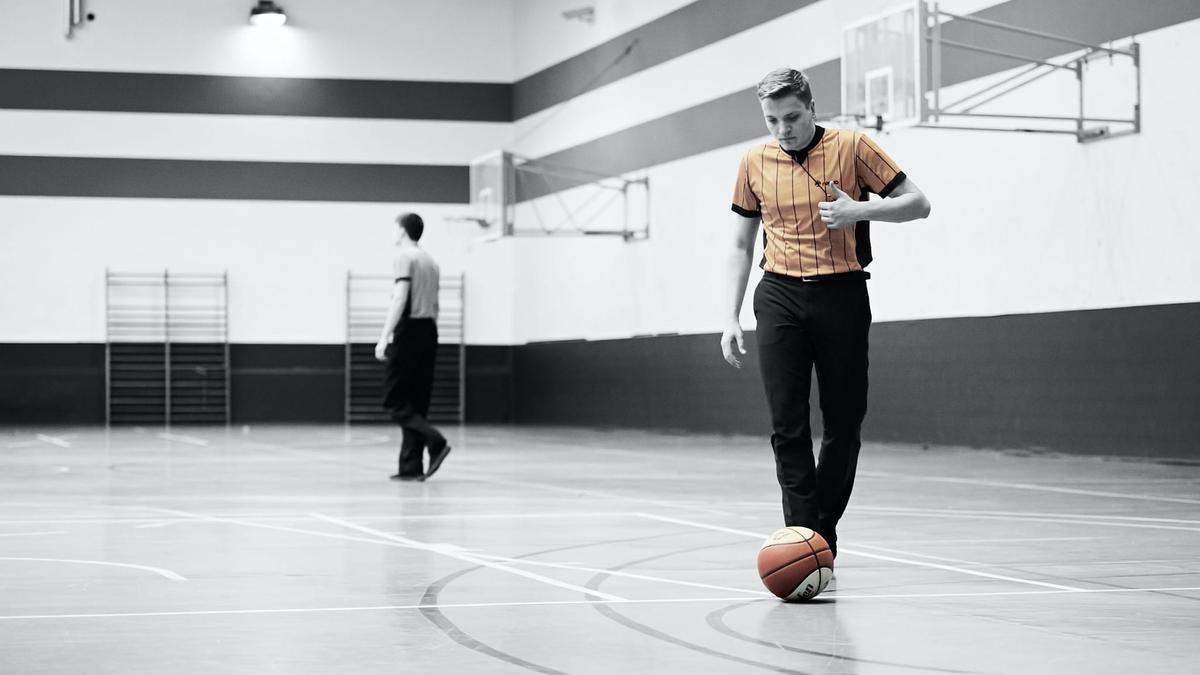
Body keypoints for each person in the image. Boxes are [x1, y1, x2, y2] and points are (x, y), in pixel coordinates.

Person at [721, 68, 931, 558]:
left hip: (842, 293)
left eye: (791, 117)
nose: (782, 129)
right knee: (787, 424)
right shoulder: (753, 162)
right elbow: (739, 242)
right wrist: (729, 316)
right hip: (778, 295)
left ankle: (819, 531)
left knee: (844, 421)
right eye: (771, 120)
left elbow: (918, 204)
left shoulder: (853, 147)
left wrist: (859, 212)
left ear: (812, 107)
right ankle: (806, 542)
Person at [375, 212, 451, 482]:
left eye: (395, 228)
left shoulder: (404, 257)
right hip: (429, 330)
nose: (393, 233)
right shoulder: (431, 262)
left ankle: (435, 441)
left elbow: (399, 298)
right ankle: (411, 466)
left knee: (394, 399)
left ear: (403, 231)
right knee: (417, 401)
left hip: (409, 330)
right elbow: (436, 304)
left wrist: (385, 336)